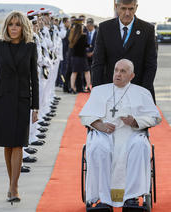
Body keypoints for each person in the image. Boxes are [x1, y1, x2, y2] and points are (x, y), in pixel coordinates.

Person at [79, 59, 161, 209]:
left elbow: (155, 117)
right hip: (104, 134)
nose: (118, 74)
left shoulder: (142, 92)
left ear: (132, 76)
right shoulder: (99, 91)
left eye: (123, 71)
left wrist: (135, 121)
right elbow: (85, 116)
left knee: (140, 146)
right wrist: (100, 125)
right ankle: (102, 200)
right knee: (98, 147)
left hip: (132, 133)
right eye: (116, 70)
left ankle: (132, 198)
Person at [0, 11, 39, 203]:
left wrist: (35, 106)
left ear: (23, 27)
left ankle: (14, 187)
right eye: (11, 24)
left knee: (18, 144)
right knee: (7, 144)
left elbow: (34, 78)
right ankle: (11, 184)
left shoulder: (30, 47)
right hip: (3, 100)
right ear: (6, 27)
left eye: (17, 25)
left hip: (22, 100)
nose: (14, 28)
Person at [92, 0, 157, 102]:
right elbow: (98, 63)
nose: (127, 13)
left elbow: (151, 65)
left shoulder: (147, 29)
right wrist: (98, 91)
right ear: (116, 7)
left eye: (131, 9)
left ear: (136, 7)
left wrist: (143, 92)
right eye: (123, 9)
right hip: (110, 91)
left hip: (139, 90)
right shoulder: (105, 28)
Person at [68, 19, 91, 93]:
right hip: (82, 57)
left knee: (74, 72)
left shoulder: (72, 35)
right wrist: (89, 45)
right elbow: (86, 45)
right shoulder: (83, 36)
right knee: (87, 72)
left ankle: (72, 88)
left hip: (74, 57)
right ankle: (88, 87)